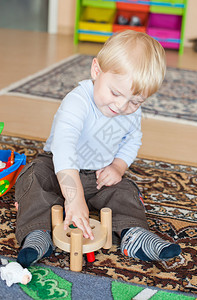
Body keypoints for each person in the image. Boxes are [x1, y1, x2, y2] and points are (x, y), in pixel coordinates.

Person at [15, 30, 181, 268]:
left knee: (125, 189)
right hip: (57, 166)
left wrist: (118, 165)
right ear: (96, 71)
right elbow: (64, 146)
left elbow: (132, 140)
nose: (122, 105)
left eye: (136, 101)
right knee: (33, 177)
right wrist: (73, 198)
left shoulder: (129, 110)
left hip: (98, 174)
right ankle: (37, 233)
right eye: (115, 93)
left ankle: (134, 234)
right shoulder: (77, 101)